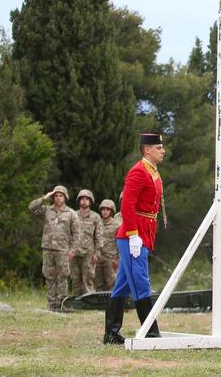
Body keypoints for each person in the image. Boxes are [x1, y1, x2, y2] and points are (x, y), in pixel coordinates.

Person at [103, 132, 166, 345]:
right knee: (140, 281)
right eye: (159, 148)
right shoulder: (138, 172)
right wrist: (133, 235)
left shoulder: (152, 171)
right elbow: (127, 205)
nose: (163, 151)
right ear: (147, 150)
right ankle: (150, 331)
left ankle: (111, 333)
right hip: (133, 235)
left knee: (122, 284)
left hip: (142, 233)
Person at [30, 185, 80, 311]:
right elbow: (31, 207)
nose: (58, 198)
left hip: (63, 250)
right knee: (49, 277)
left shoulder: (71, 213)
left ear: (65, 197)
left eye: (60, 196)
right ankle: (51, 304)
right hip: (48, 248)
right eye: (56, 196)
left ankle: (62, 304)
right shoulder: (47, 210)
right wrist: (44, 198)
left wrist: (73, 250)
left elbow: (77, 234)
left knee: (62, 277)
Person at [71, 189, 102, 296]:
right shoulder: (73, 215)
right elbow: (67, 233)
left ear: (90, 201)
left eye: (87, 199)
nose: (84, 201)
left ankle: (89, 300)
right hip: (74, 252)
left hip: (88, 254)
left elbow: (98, 237)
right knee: (75, 279)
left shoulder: (95, 217)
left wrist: (97, 253)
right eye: (82, 199)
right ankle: (76, 301)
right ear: (79, 201)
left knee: (88, 279)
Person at [94, 199, 121, 291]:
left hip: (111, 259)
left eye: (107, 210)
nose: (105, 212)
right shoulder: (97, 223)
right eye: (103, 209)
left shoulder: (117, 225)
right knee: (98, 284)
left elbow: (119, 243)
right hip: (98, 258)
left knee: (111, 284)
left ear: (111, 211)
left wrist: (118, 259)